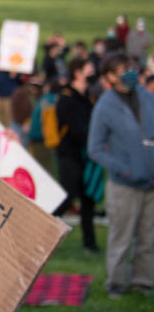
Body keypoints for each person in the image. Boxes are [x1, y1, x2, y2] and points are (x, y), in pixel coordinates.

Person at [87, 52, 154, 298]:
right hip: (124, 184)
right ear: (110, 77)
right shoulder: (105, 106)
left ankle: (143, 281)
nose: (130, 72)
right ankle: (116, 283)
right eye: (123, 69)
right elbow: (95, 148)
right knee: (121, 237)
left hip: (150, 183)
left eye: (131, 67)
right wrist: (124, 168)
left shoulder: (147, 97)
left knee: (147, 237)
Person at [52, 57, 99, 252]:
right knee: (68, 197)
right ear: (78, 72)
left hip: (86, 155)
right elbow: (76, 129)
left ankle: (90, 244)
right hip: (69, 155)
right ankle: (46, 226)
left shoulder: (87, 97)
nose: (93, 70)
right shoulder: (66, 97)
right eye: (89, 67)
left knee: (88, 199)